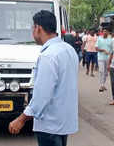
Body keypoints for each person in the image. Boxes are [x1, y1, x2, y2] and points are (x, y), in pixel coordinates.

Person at [8, 10, 79, 146]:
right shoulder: (68, 50)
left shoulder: (48, 56)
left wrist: (21, 119)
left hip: (50, 124)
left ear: (38, 28)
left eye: (32, 28)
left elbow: (42, 96)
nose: (32, 33)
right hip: (64, 122)